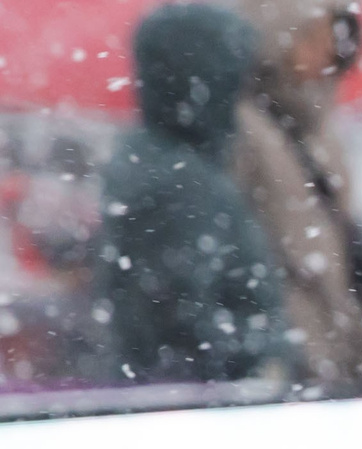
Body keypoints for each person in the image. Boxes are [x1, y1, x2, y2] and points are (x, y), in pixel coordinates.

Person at [98, 4, 289, 385]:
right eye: (234, 78)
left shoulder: (167, 167)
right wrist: (260, 361)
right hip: (203, 414)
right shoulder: (179, 184)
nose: (239, 95)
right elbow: (181, 327)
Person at [231, 0, 362, 391]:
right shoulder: (243, 128)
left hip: (334, 344)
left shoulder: (318, 125)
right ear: (274, 41)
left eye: (333, 37)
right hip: (290, 354)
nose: (327, 50)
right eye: (312, 37)